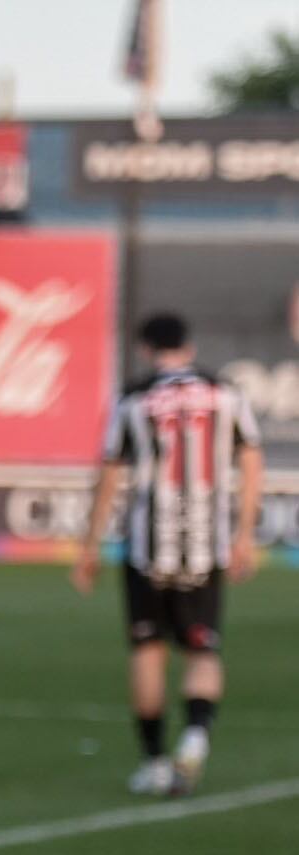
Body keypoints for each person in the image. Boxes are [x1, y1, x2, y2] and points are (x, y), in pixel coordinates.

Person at [72, 313, 262, 796]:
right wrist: (244, 534)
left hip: (146, 549)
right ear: (189, 345)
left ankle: (155, 761)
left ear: (145, 348)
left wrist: (90, 546)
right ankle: (195, 736)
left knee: (148, 650)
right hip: (205, 545)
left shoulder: (133, 399)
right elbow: (251, 460)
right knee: (203, 650)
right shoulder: (226, 393)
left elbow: (110, 474)